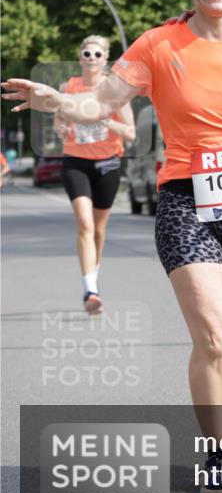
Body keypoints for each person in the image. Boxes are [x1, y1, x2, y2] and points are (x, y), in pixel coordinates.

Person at [2, 0, 222, 493]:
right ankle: (218, 450)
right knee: (214, 337)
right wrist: (58, 100)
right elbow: (102, 101)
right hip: (187, 202)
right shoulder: (158, 45)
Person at [53, 35, 136, 314]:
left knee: (99, 230)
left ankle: (94, 274)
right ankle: (90, 290)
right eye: (86, 53)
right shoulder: (69, 87)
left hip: (108, 164)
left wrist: (105, 119)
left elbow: (131, 133)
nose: (91, 58)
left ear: (105, 60)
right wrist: (62, 130)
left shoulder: (116, 90)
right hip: (75, 162)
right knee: (85, 225)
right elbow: (59, 123)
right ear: (79, 58)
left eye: (97, 55)